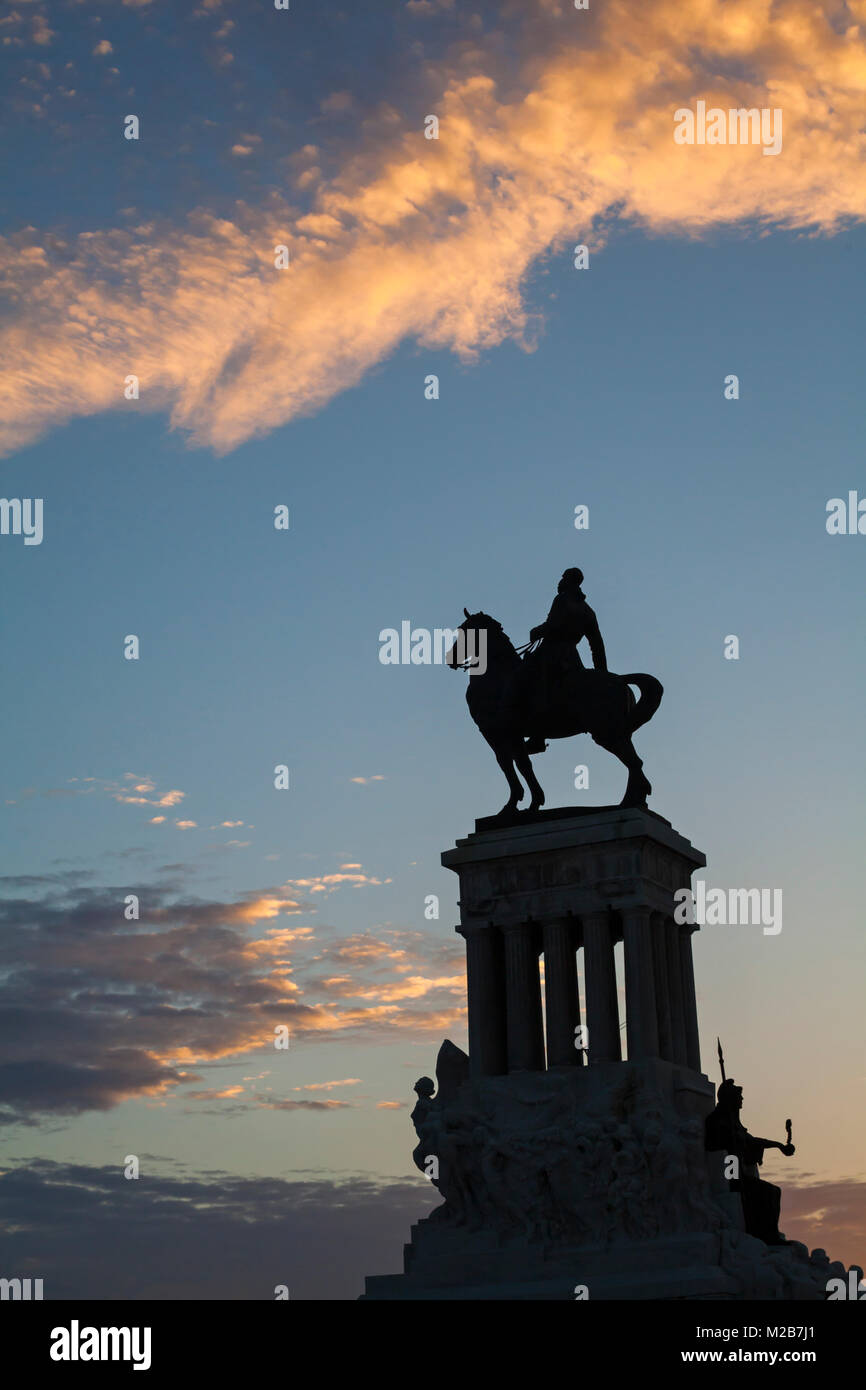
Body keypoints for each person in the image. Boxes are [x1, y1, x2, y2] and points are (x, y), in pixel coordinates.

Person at [524, 568, 607, 753]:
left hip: (552, 653)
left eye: (562, 578)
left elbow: (553, 625)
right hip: (572, 658)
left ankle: (537, 736)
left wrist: (536, 631)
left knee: (526, 677)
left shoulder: (562, 600)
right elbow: (597, 645)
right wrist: (602, 674)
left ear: (569, 581)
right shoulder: (588, 611)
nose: (559, 581)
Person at [705, 1078, 795, 1245]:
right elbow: (720, 1151)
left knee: (773, 1191)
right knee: (766, 1192)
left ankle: (769, 1233)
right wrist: (734, 1175)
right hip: (729, 1172)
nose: (742, 1100)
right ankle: (766, 1235)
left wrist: (779, 1146)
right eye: (739, 1097)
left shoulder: (734, 1123)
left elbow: (752, 1141)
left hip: (738, 1172)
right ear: (730, 1098)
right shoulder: (717, 1121)